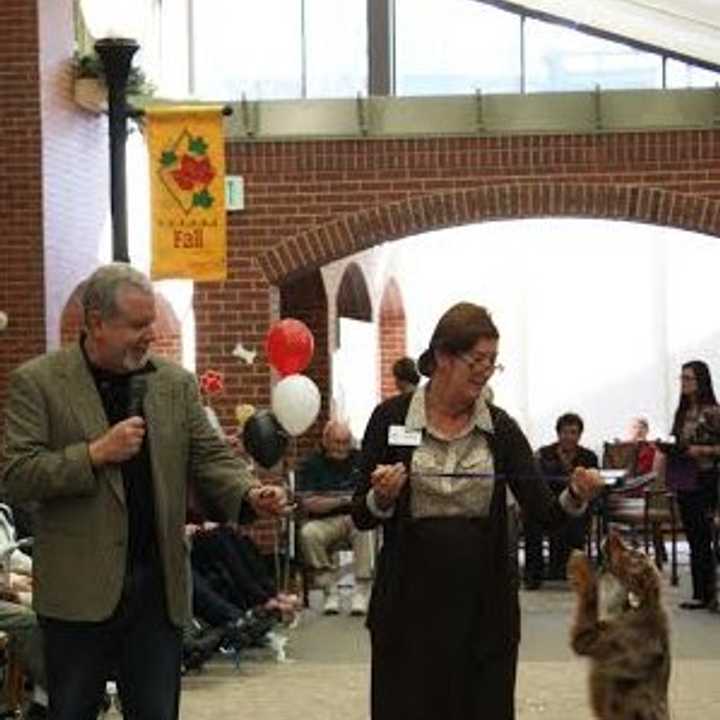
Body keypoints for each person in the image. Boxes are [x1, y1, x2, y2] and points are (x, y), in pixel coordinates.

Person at [0, 263, 288, 720]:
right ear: (95, 323)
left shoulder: (174, 384)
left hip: (158, 592)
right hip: (78, 595)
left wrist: (250, 493)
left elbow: (210, 457)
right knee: (71, 711)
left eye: (151, 321)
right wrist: (93, 454)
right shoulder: (37, 383)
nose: (150, 334)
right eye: (137, 324)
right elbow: (16, 473)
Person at [351, 302, 602, 720]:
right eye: (477, 359)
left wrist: (576, 494)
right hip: (407, 604)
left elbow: (544, 512)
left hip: (485, 608)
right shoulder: (390, 418)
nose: (486, 370)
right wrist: (384, 498)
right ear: (444, 357)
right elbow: (361, 513)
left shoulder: (501, 429)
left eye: (493, 362)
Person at [656, 360, 720, 612]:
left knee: (705, 536)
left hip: (707, 478)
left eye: (688, 378)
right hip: (685, 477)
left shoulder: (713, 412)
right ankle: (700, 592)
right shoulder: (681, 413)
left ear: (701, 381)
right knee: (694, 536)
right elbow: (679, 441)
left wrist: (701, 450)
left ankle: (709, 592)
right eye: (681, 378)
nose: (683, 383)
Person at [297, 420, 373, 615]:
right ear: (325, 441)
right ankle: (329, 588)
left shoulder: (361, 460)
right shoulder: (310, 464)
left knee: (365, 526)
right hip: (323, 521)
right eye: (337, 442)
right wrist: (344, 499)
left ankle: (361, 591)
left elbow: (369, 496)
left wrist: (331, 500)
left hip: (355, 518)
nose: (342, 447)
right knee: (307, 534)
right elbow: (309, 503)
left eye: (346, 442)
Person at [523, 412, 599, 590]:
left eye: (573, 432)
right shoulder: (543, 454)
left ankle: (573, 572)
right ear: (558, 433)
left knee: (576, 518)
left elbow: (593, 484)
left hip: (577, 506)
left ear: (580, 435)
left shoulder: (589, 457)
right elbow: (535, 483)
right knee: (531, 520)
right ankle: (533, 575)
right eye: (565, 432)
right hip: (548, 505)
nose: (569, 437)